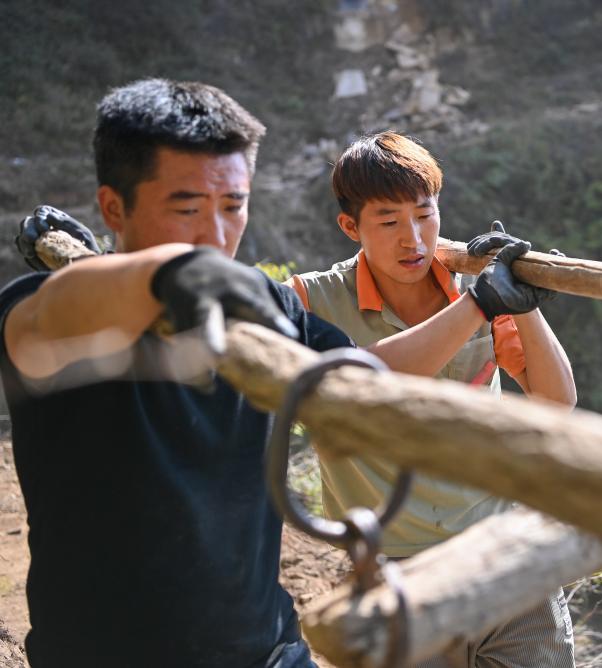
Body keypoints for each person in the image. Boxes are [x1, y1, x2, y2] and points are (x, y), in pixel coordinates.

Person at [2, 79, 551, 668]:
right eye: (186, 209)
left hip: (268, 652)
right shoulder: (49, 312)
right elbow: (46, 316)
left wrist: (481, 303)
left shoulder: (266, 307)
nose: (215, 235)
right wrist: (150, 274)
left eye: (232, 206)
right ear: (115, 208)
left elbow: (366, 380)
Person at [287, 131, 577, 667]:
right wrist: (481, 304)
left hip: (500, 553)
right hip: (393, 574)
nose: (413, 239)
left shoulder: (473, 285)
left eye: (425, 215)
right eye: (389, 222)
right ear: (350, 227)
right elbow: (367, 387)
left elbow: (555, 401)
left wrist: (525, 302)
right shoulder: (310, 301)